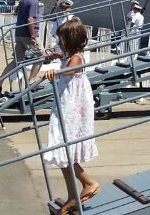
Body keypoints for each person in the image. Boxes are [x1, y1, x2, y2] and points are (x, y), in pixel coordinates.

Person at [42, 20, 100, 213]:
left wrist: (54, 71)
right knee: (63, 154)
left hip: (72, 110)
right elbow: (67, 63)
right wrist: (57, 56)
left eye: (62, 39)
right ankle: (72, 195)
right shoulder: (70, 56)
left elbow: (72, 69)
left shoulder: (77, 58)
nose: (60, 42)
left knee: (65, 150)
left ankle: (89, 183)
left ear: (70, 40)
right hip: (65, 107)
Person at [0, 0, 46, 90]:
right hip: (28, 34)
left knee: (17, 61)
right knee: (41, 56)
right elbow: (30, 19)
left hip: (19, 33)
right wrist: (33, 36)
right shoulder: (34, 1)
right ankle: (31, 82)